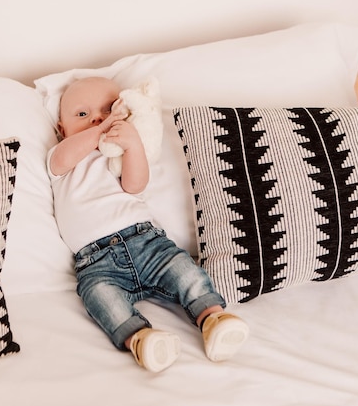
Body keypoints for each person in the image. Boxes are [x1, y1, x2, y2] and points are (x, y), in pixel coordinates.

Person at [47, 76, 249, 372]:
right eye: (82, 114)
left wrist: (132, 144)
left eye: (107, 111)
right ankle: (142, 339)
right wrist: (103, 129)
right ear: (61, 129)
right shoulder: (61, 160)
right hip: (96, 262)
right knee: (98, 296)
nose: (97, 120)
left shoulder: (114, 157)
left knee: (183, 270)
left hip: (146, 241)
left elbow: (135, 185)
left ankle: (213, 318)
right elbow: (65, 155)